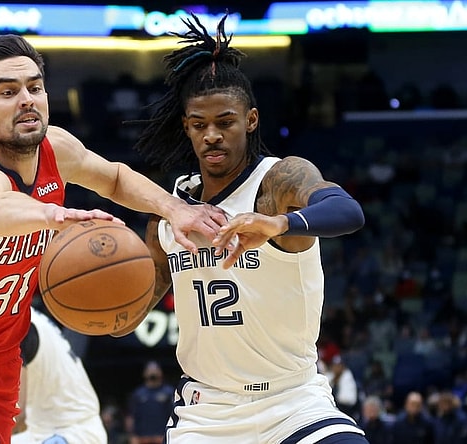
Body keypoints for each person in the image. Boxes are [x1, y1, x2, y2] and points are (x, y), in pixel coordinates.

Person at [0, 33, 227, 444]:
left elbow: (114, 178)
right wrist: (52, 214)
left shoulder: (57, 147)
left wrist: (175, 208)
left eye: (34, 88)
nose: (26, 100)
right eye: (7, 92)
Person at [121, 13, 368, 443]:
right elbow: (126, 318)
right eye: (199, 125)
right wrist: (95, 298)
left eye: (225, 122)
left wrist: (278, 223)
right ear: (186, 127)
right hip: (207, 414)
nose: (212, 135)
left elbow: (347, 211)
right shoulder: (169, 215)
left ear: (251, 120)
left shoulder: (277, 183)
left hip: (293, 403)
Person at [11, 306, 107, 444]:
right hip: (48, 431)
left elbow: (16, 413)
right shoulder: (25, 314)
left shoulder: (16, 325)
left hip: (71, 433)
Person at [125, 360, 175, 444]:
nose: (152, 371)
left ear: (161, 372)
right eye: (150, 369)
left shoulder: (169, 392)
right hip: (141, 438)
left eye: (155, 369)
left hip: (163, 437)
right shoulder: (138, 394)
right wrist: (131, 435)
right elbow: (130, 416)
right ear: (144, 373)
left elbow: (175, 415)